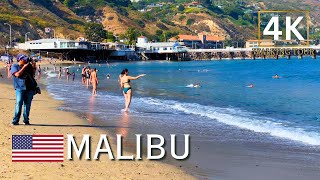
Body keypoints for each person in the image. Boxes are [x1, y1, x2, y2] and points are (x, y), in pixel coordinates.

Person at [11, 54, 37, 125]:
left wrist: (34, 66)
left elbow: (33, 75)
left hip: (30, 88)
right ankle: (15, 120)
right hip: (20, 88)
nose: (26, 61)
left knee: (27, 105)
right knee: (19, 103)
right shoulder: (14, 66)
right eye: (24, 59)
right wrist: (24, 67)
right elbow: (17, 75)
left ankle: (26, 120)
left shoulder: (29, 66)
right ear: (20, 60)